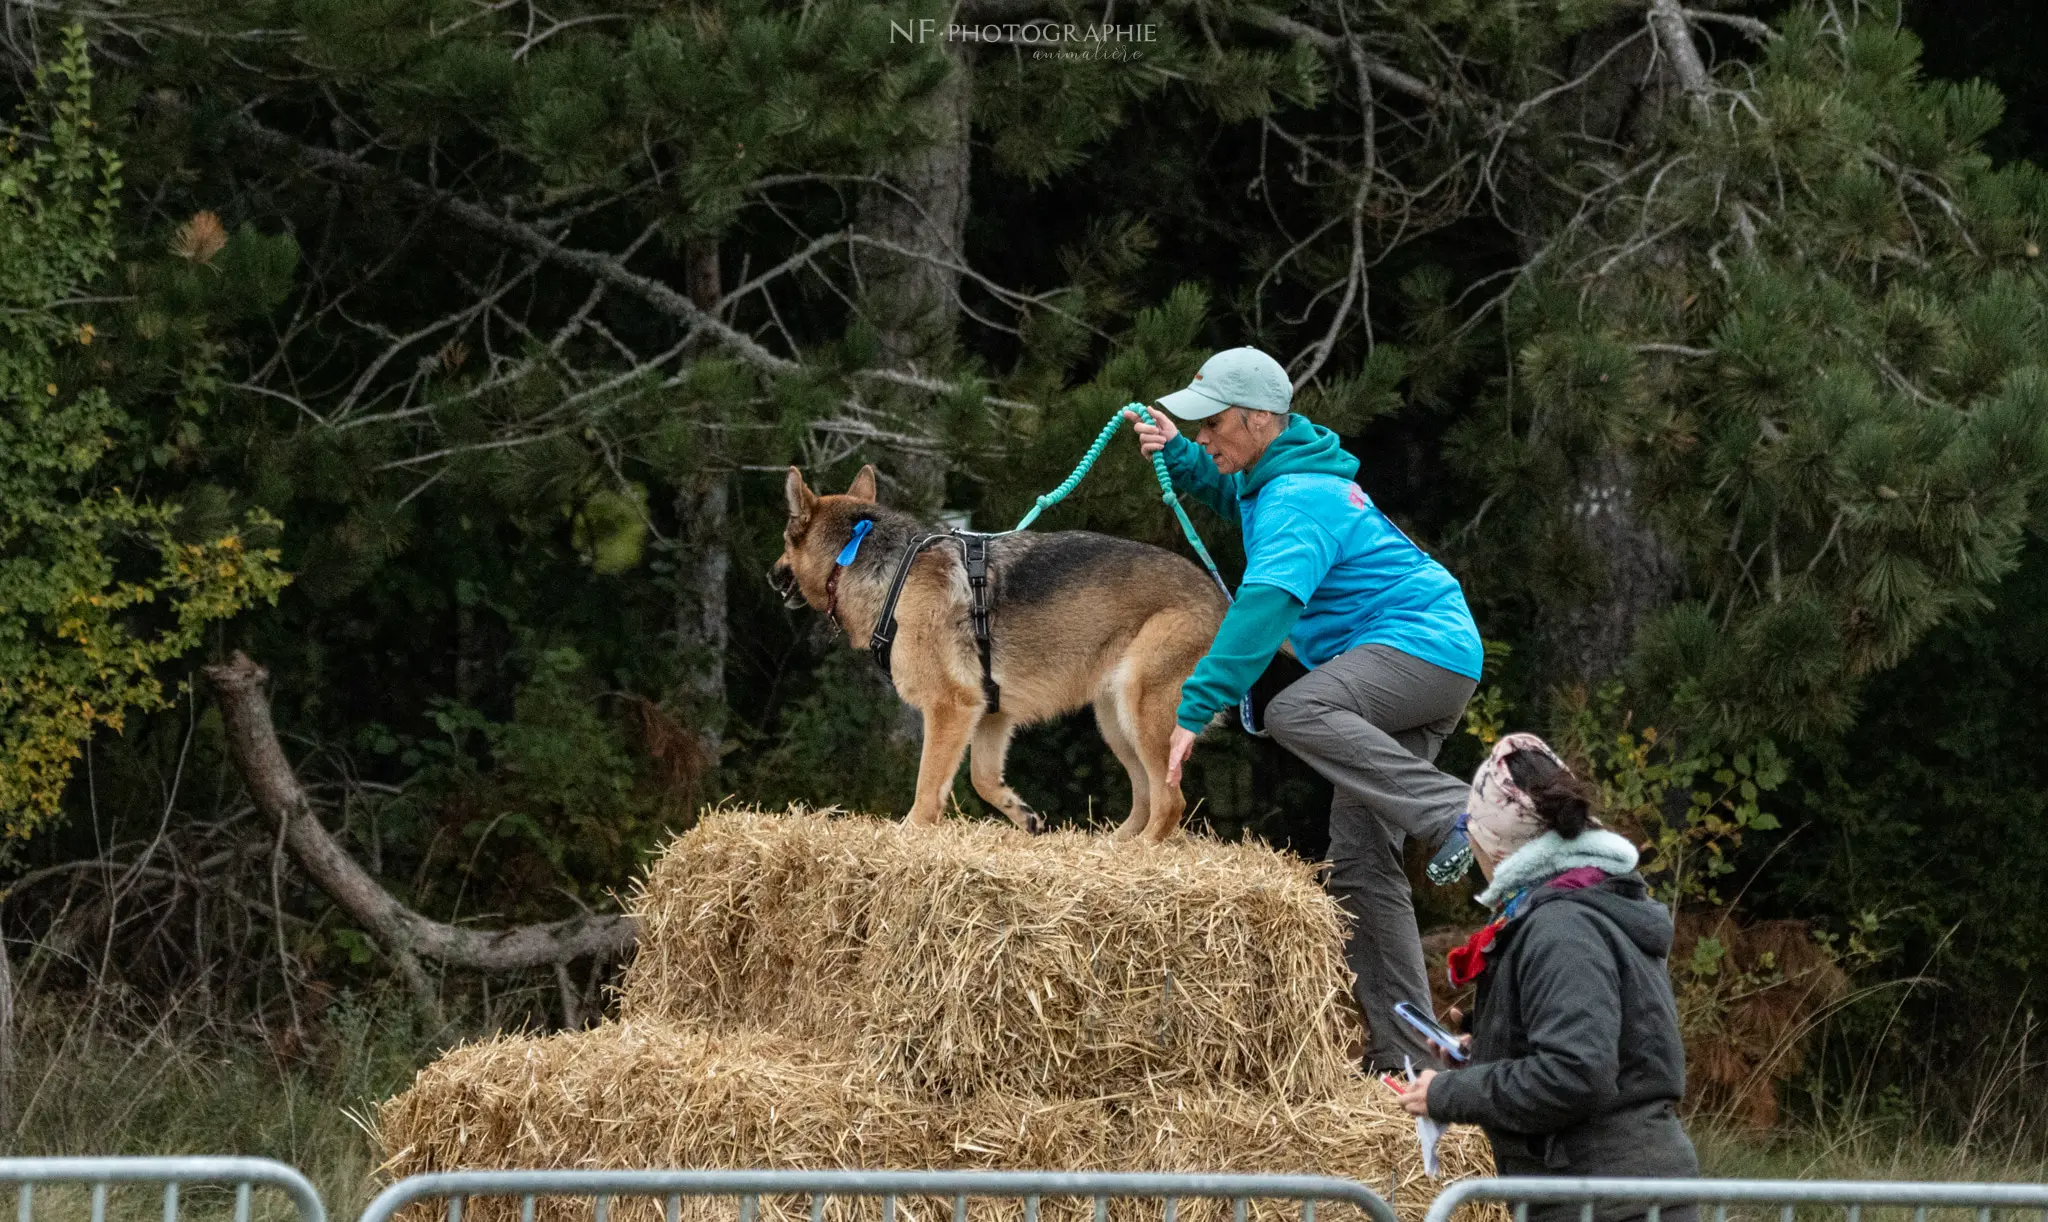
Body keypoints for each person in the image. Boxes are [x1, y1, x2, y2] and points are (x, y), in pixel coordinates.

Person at [1130, 346, 1484, 1071]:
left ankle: (1457, 816)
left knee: (1299, 711)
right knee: (1359, 865)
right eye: (1193, 425)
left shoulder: (1298, 500)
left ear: (1260, 420)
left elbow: (1265, 608)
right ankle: (1411, 1061)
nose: (1203, 436)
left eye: (1212, 426)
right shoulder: (1276, 475)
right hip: (1416, 659)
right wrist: (1183, 456)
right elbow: (1235, 490)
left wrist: (1196, 708)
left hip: (1420, 651)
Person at [1395, 733, 1699, 1222]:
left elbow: (1575, 1073)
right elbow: (1605, 1044)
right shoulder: (1588, 907)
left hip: (1604, 1203)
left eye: (1469, 831)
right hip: (1613, 1193)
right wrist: (1489, 1045)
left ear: (1493, 843)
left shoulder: (1563, 928)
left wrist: (1448, 1095)